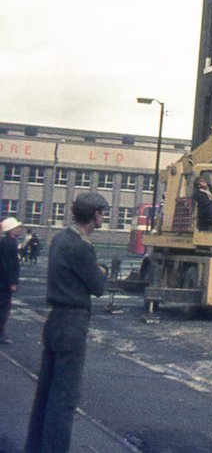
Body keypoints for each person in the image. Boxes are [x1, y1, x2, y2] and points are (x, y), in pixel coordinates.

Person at [24, 192, 109, 453]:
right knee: (65, 395)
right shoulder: (82, 247)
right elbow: (98, 287)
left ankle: (35, 447)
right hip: (73, 322)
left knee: (46, 392)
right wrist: (102, 271)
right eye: (102, 212)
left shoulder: (60, 239)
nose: (103, 217)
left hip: (54, 320)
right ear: (94, 215)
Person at [0, 216, 22, 344]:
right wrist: (12, 282)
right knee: (3, 308)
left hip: (2, 281)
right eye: (17, 227)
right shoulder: (9, 243)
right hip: (4, 283)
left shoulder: (5, 241)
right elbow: (9, 265)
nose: (19, 229)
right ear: (11, 229)